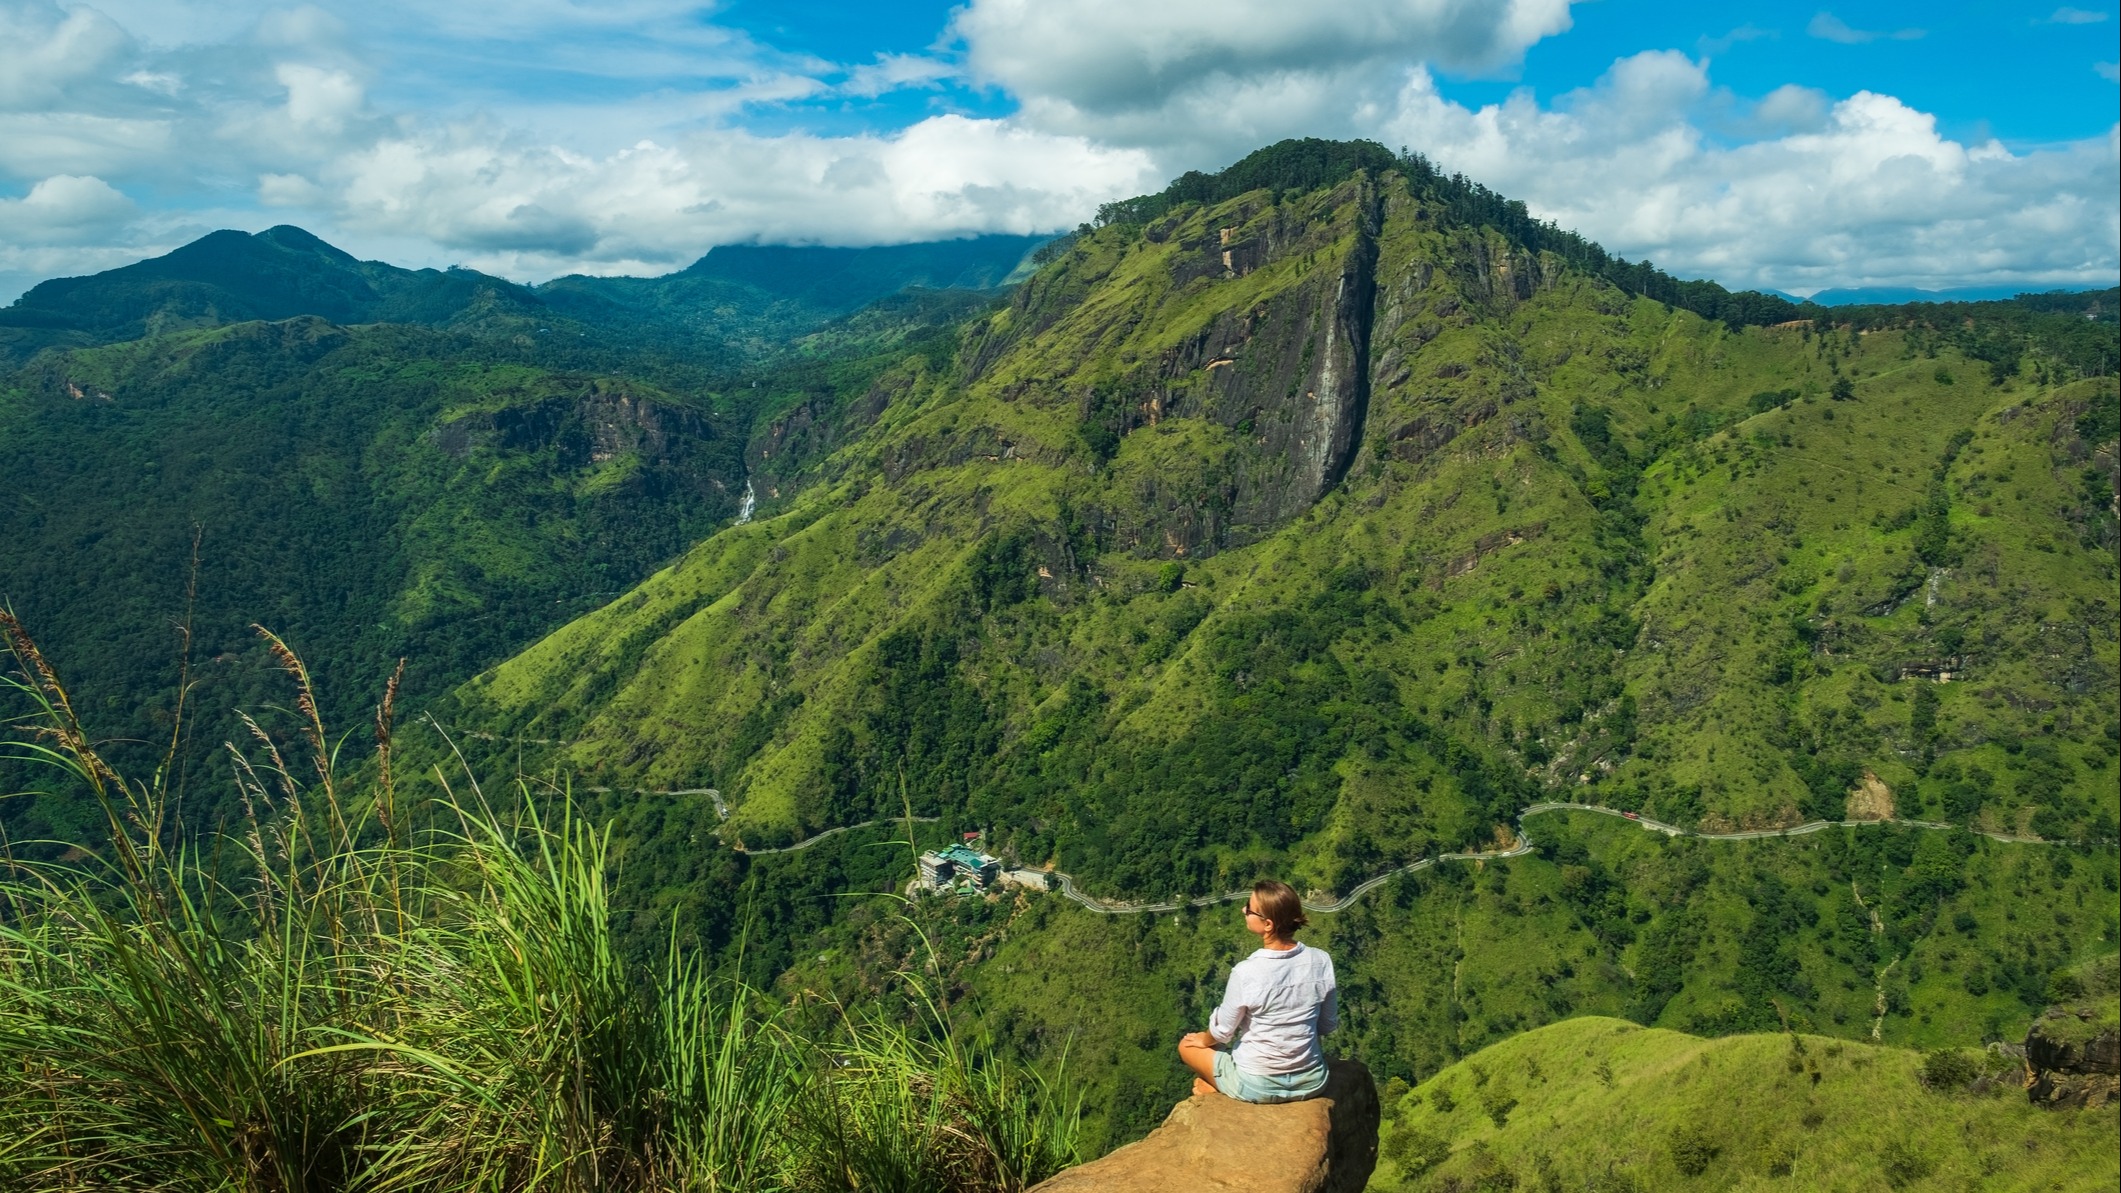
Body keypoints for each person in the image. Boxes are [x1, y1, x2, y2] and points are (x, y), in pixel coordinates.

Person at [1176, 878, 1337, 1103]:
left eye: (1249, 909)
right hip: (1312, 1082)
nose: (1244, 910)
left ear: (1268, 924)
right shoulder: (1321, 960)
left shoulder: (1247, 972)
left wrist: (1203, 1039)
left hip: (1256, 1085)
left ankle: (1223, 1087)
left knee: (1186, 1046)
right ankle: (1223, 1085)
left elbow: (1222, 1032)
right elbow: (1327, 1025)